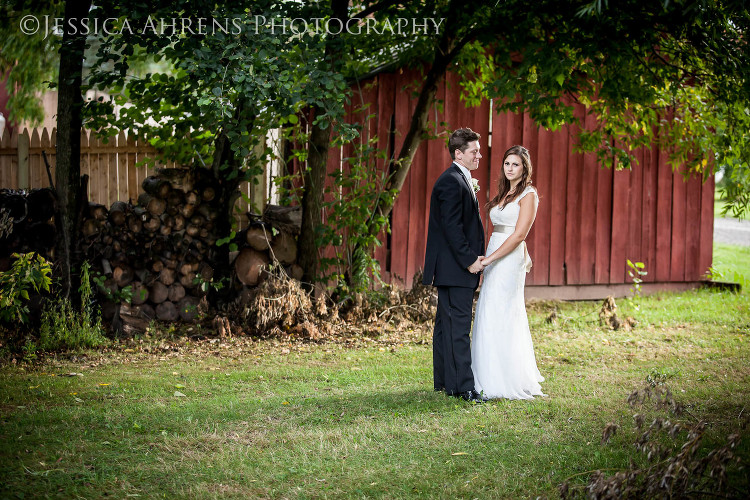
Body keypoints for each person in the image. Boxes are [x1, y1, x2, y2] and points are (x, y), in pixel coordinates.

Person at [471, 145, 545, 400]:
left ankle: (504, 377)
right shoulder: (505, 193)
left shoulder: (529, 194)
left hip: (509, 258)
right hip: (493, 251)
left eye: (516, 164)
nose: (510, 168)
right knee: (488, 309)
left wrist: (489, 259)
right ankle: (484, 372)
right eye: (507, 164)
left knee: (503, 311)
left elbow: (520, 234)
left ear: (525, 168)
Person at [423, 128, 486, 403]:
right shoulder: (451, 181)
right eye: (474, 151)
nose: (479, 155)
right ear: (458, 153)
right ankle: (465, 389)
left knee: (446, 327)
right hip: (456, 268)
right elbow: (451, 228)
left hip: (450, 269)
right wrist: (470, 260)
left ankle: (447, 383)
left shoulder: (459, 178)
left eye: (479, 151)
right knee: (458, 329)